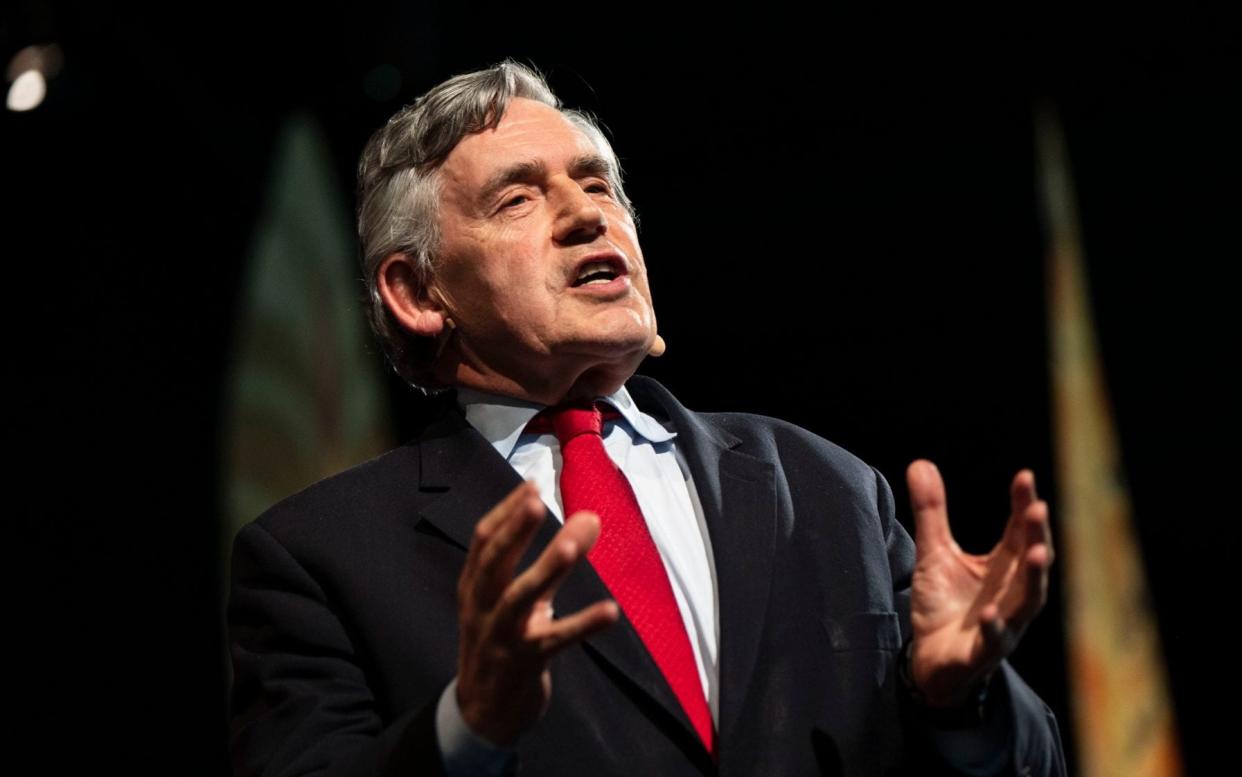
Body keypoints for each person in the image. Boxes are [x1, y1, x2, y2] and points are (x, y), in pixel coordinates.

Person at [227, 60, 1066, 776]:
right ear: (416, 293)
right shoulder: (317, 558)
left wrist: (960, 699)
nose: (588, 213)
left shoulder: (828, 486)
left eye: (597, 183)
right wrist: (468, 726)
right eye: (517, 199)